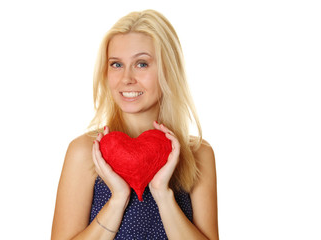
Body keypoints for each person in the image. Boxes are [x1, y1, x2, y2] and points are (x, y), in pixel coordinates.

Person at [51, 9, 218, 240]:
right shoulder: (85, 152)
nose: (126, 78)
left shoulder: (198, 154)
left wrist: (162, 194)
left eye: (141, 64)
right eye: (116, 65)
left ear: (168, 70)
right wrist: (118, 200)